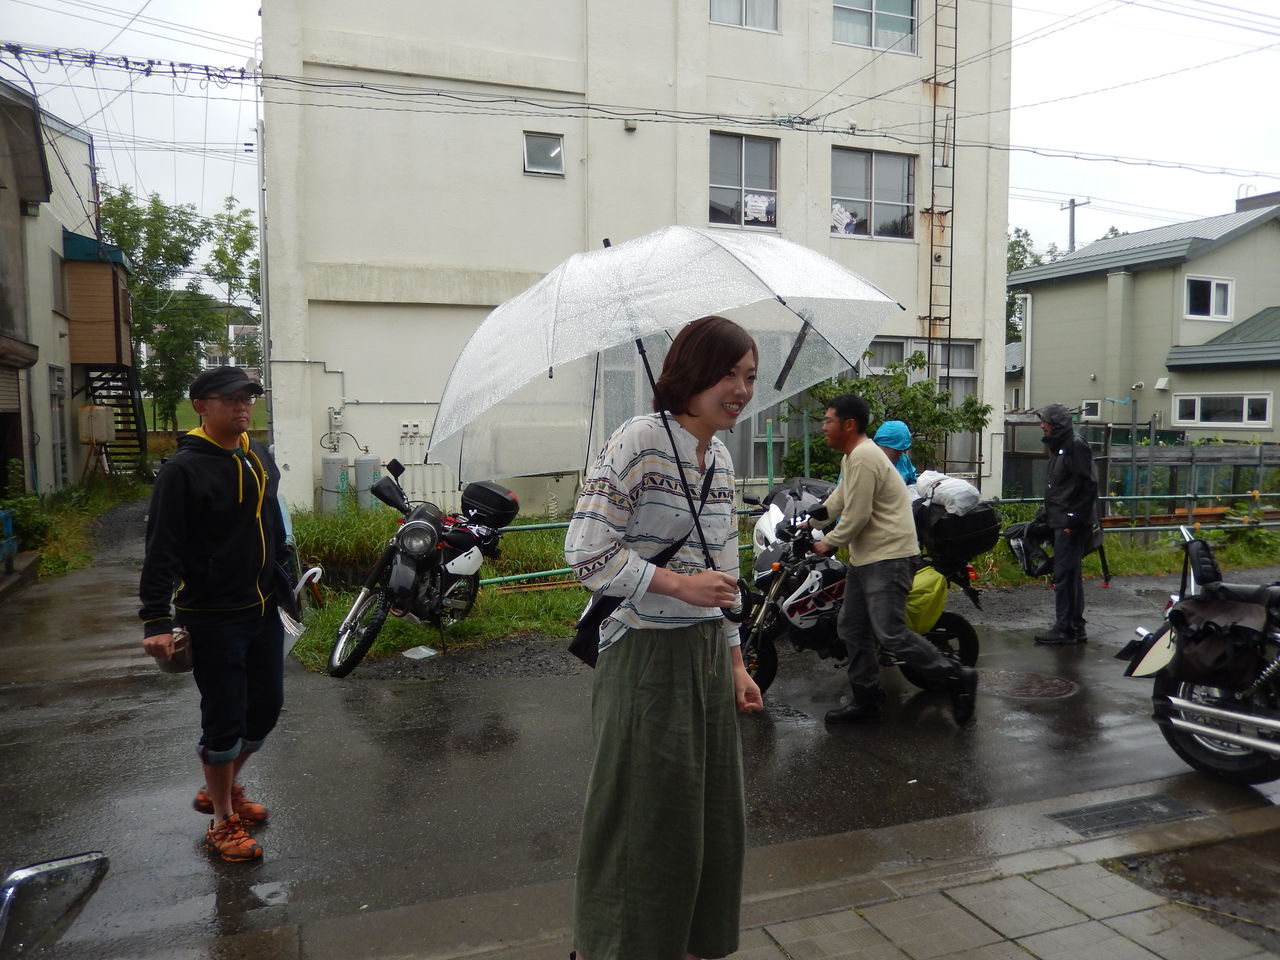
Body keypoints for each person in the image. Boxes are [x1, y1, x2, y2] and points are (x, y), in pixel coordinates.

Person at [565, 315, 764, 960]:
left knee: (706, 812)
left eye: (749, 377)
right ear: (692, 373)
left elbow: (725, 568)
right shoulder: (640, 440)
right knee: (641, 814)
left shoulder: (721, 458)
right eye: (728, 374)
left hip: (706, 655)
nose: (741, 390)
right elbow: (586, 551)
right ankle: (618, 947)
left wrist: (736, 660)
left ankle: (685, 942)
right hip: (643, 654)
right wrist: (679, 585)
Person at [139, 366, 286, 863]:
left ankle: (220, 787)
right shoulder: (183, 471)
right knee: (224, 718)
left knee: (265, 708)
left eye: (248, 398)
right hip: (213, 614)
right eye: (230, 399)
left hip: (263, 607)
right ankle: (222, 820)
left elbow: (269, 518)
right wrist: (155, 620)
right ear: (202, 406)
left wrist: (285, 569)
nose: (242, 406)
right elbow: (162, 548)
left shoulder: (257, 454)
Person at [810, 395, 977, 725]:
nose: (823, 427)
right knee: (852, 627)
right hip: (867, 558)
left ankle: (957, 675)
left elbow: (858, 514)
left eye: (828, 421)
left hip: (890, 557)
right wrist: (808, 522)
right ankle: (867, 700)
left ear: (849, 424)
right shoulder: (854, 456)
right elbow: (839, 499)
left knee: (889, 631)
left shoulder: (865, 457)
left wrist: (828, 542)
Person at [1033, 402, 1099, 645]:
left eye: (1045, 422)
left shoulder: (1075, 445)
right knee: (1068, 575)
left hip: (1070, 524)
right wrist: (1048, 513)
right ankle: (1074, 627)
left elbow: (1088, 485)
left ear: (1057, 424)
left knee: (1065, 576)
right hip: (1060, 519)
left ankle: (1065, 629)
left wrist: (1073, 519)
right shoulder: (1059, 446)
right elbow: (1061, 486)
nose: (1042, 425)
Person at [873, 419, 918, 486]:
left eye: (903, 450)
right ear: (883, 445)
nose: (900, 454)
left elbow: (912, 481)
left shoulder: (903, 460)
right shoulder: (868, 463)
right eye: (896, 450)